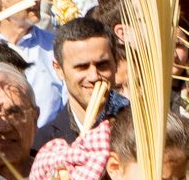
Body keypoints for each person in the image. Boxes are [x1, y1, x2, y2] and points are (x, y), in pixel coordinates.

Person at [36, 15, 124, 148]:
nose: (94, 76)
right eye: (82, 67)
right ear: (59, 69)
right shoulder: (43, 143)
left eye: (102, 65)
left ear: (116, 64)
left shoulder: (143, 127)